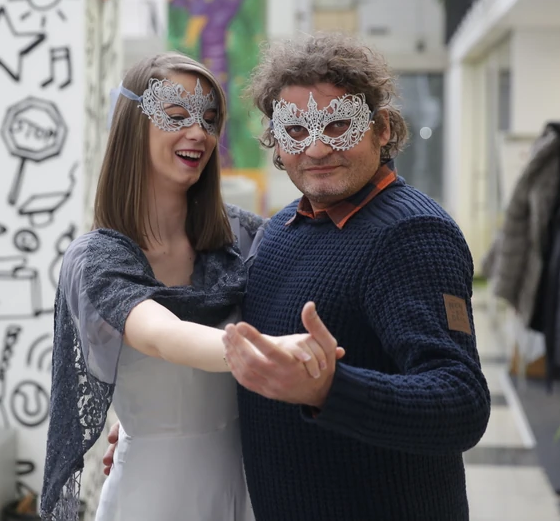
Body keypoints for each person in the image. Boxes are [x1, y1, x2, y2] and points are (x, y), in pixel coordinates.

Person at [105, 33, 492, 520]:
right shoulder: (281, 229)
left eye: (339, 124)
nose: (317, 148)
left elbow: (461, 403)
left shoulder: (413, 234)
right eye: (295, 130)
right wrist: (160, 424)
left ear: (382, 128)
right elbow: (256, 362)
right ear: (275, 140)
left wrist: (330, 389)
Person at [40, 52, 343, 521]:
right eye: (176, 115)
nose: (199, 132)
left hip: (251, 485)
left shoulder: (245, 237)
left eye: (209, 118)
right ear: (132, 126)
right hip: (152, 496)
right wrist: (270, 351)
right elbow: (162, 335)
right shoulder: (95, 258)